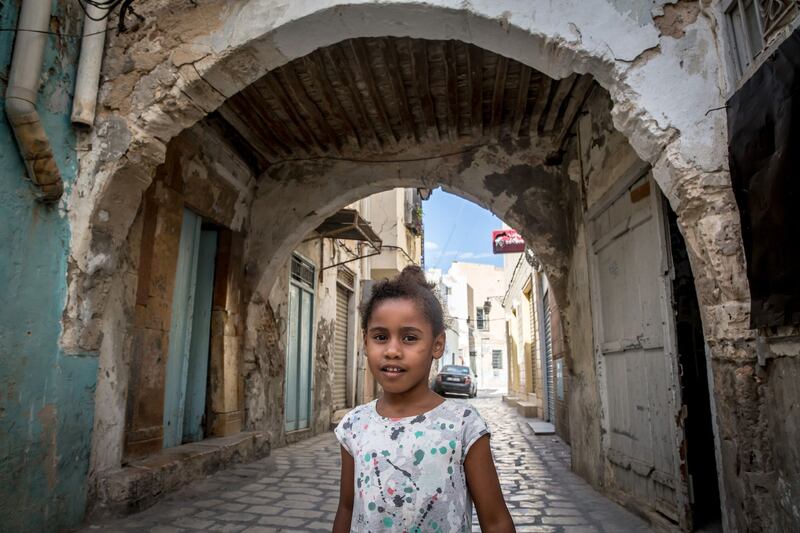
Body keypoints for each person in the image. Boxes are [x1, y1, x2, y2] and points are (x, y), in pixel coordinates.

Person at [333, 266, 515, 532]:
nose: (392, 351)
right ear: (365, 342)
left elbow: (495, 520)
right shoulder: (353, 426)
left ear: (437, 345)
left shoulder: (463, 426)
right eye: (380, 337)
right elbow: (347, 508)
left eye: (409, 338)